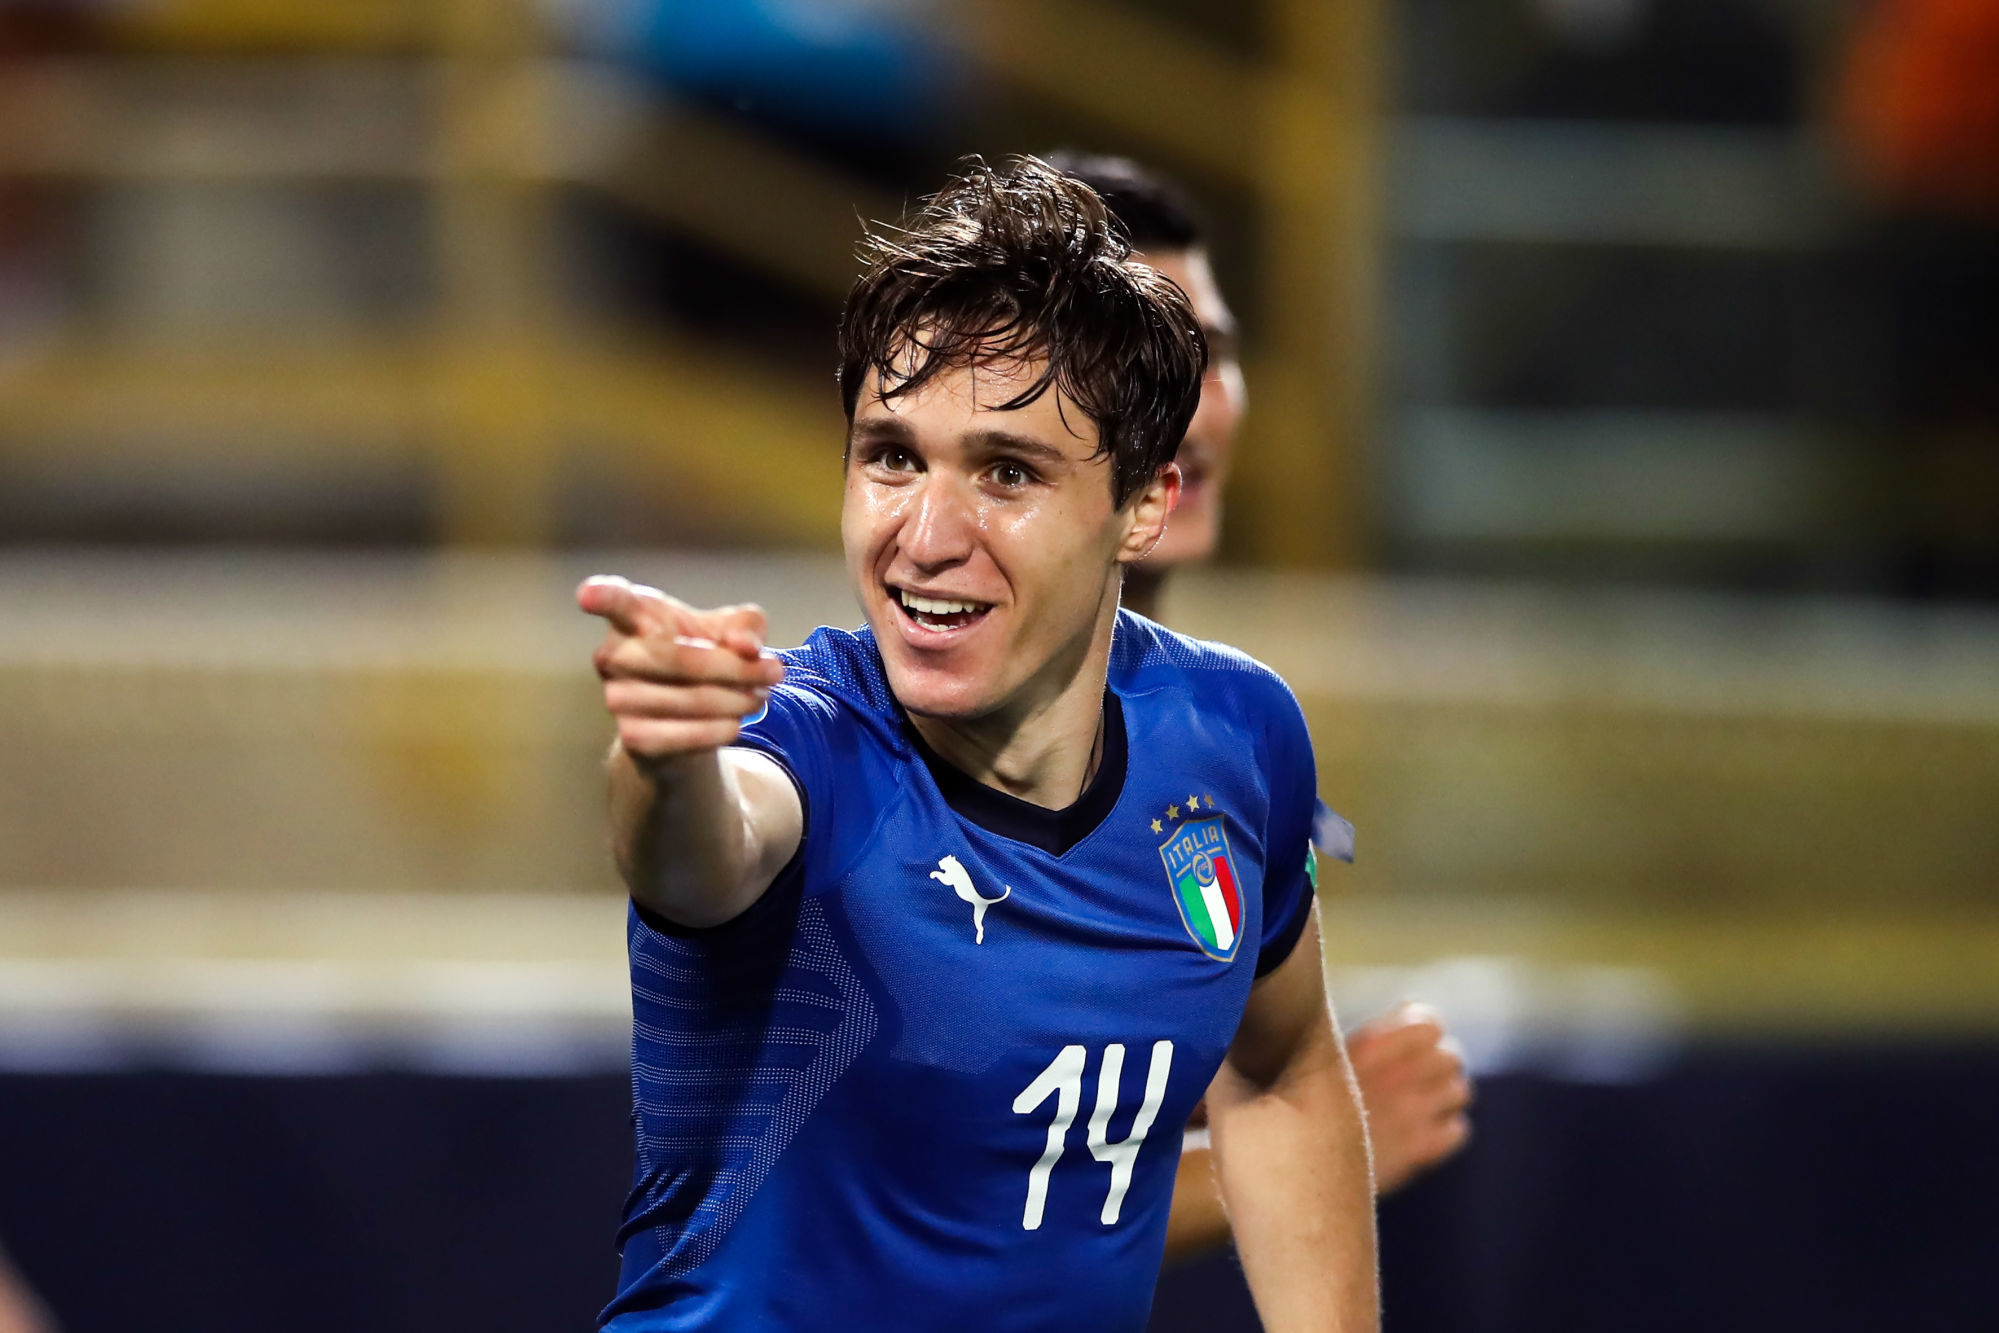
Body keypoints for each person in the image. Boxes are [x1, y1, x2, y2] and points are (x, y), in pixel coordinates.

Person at [579, 156, 1378, 1331]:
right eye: (891, 455)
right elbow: (700, 849)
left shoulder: (1235, 736)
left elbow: (1281, 1067)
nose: (926, 535)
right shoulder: (799, 738)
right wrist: (664, 756)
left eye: (1007, 472)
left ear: (1144, 503)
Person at [1044, 153, 1473, 1262]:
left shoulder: (1222, 733)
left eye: (1213, 351)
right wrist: (1316, 1143)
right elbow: (920, 1193)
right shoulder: (919, 737)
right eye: (1131, 355)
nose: (1187, 406)